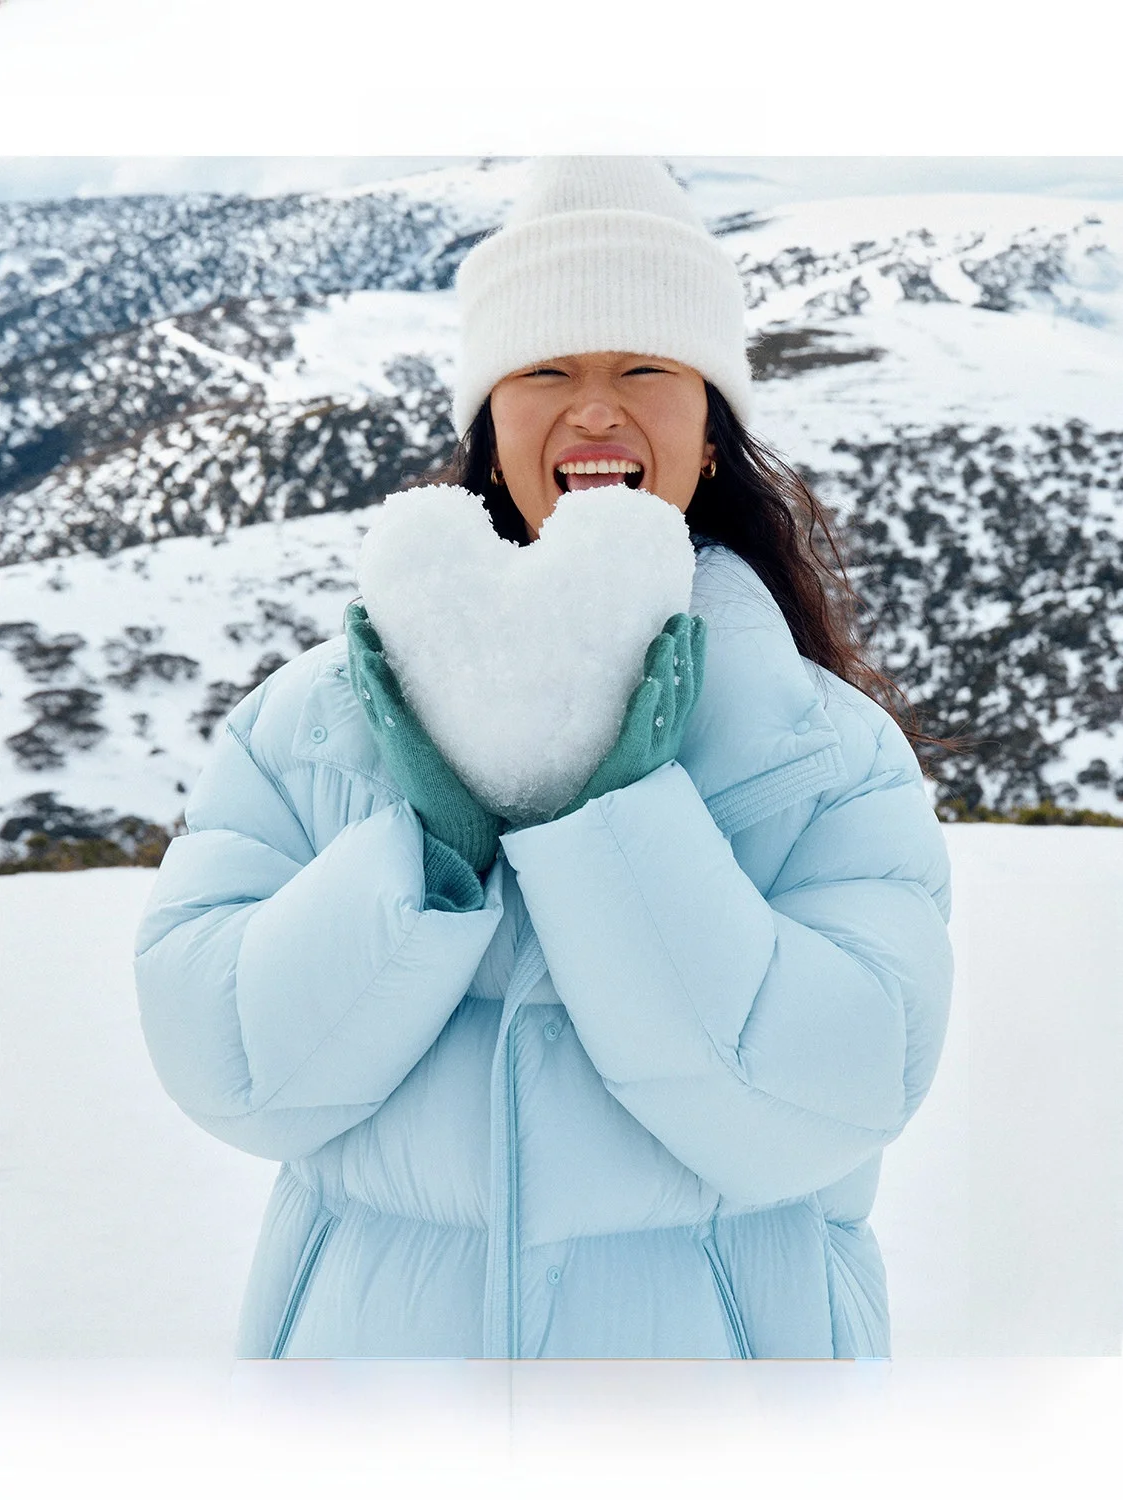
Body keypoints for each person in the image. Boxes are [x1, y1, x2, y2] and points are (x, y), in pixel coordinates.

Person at [135, 157, 954, 1359]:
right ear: (489, 423)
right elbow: (232, 1073)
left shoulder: (825, 756)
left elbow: (824, 1105)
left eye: (646, 368)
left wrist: (615, 825)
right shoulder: (313, 724)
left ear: (712, 433)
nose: (595, 409)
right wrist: (428, 853)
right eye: (546, 370)